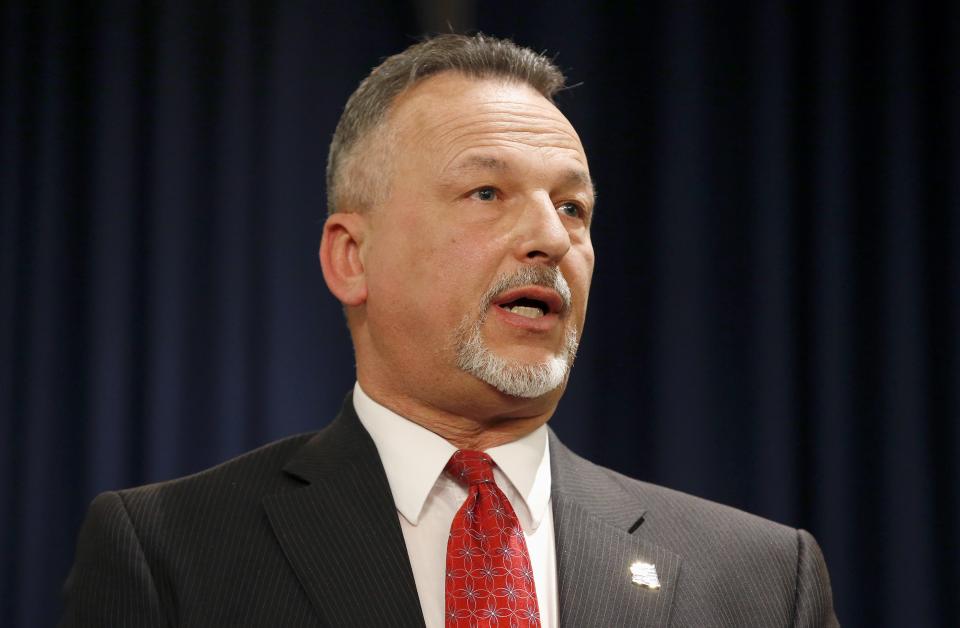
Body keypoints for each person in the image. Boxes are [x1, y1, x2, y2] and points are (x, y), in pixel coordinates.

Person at [60, 34, 838, 627]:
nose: (551, 238)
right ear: (352, 257)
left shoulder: (763, 579)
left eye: (574, 207)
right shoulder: (168, 553)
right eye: (487, 192)